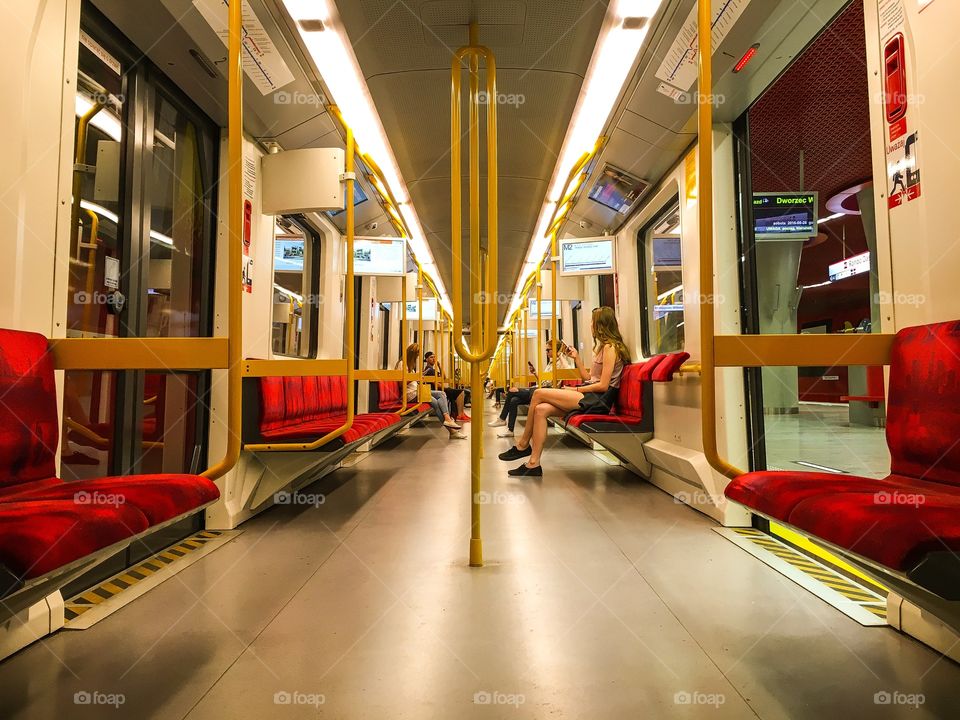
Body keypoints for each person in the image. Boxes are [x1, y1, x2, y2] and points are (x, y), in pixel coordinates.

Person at [498, 307, 630, 476]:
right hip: (591, 395)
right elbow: (589, 377)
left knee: (538, 393)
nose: (590, 325)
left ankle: (523, 445)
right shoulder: (602, 348)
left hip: (599, 399)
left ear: (600, 325)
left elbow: (603, 385)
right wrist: (577, 359)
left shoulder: (610, 348)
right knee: (540, 410)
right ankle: (533, 464)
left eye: (592, 322)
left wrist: (575, 388)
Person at [488, 342, 575, 437]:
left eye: (548, 350)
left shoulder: (561, 362)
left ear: (555, 350)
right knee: (514, 400)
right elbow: (544, 381)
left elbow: (568, 371)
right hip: (542, 388)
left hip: (549, 392)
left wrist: (560, 355)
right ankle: (510, 430)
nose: (546, 352)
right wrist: (535, 373)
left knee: (512, 391)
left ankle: (502, 418)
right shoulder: (550, 363)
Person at [396, 343, 467, 439]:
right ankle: (452, 430)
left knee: (442, 393)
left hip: (417, 391)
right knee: (435, 403)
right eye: (416, 355)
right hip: (410, 394)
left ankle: (447, 419)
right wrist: (416, 377)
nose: (417, 357)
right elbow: (401, 384)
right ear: (411, 354)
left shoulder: (410, 366)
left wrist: (418, 376)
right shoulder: (402, 364)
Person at [423, 351, 470, 422]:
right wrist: (446, 388)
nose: (433, 359)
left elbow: (443, 377)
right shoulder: (429, 370)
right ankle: (460, 414)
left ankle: (459, 414)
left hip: (438, 389)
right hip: (435, 390)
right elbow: (436, 384)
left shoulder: (433, 370)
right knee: (461, 392)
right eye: (431, 357)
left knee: (455, 394)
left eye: (434, 357)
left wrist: (439, 365)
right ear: (426, 359)